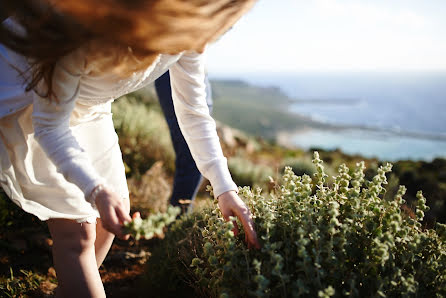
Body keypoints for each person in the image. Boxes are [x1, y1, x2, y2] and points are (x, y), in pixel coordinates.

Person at [0, 1, 259, 297]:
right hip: (30, 105)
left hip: (88, 106)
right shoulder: (87, 27)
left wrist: (225, 189)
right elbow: (50, 126)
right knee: (78, 235)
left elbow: (194, 113)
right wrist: (94, 188)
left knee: (109, 220)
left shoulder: (187, 35)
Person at [155, 71, 213, 211]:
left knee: (192, 155)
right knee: (191, 156)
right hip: (176, 71)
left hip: (197, 71)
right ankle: (178, 221)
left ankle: (178, 219)